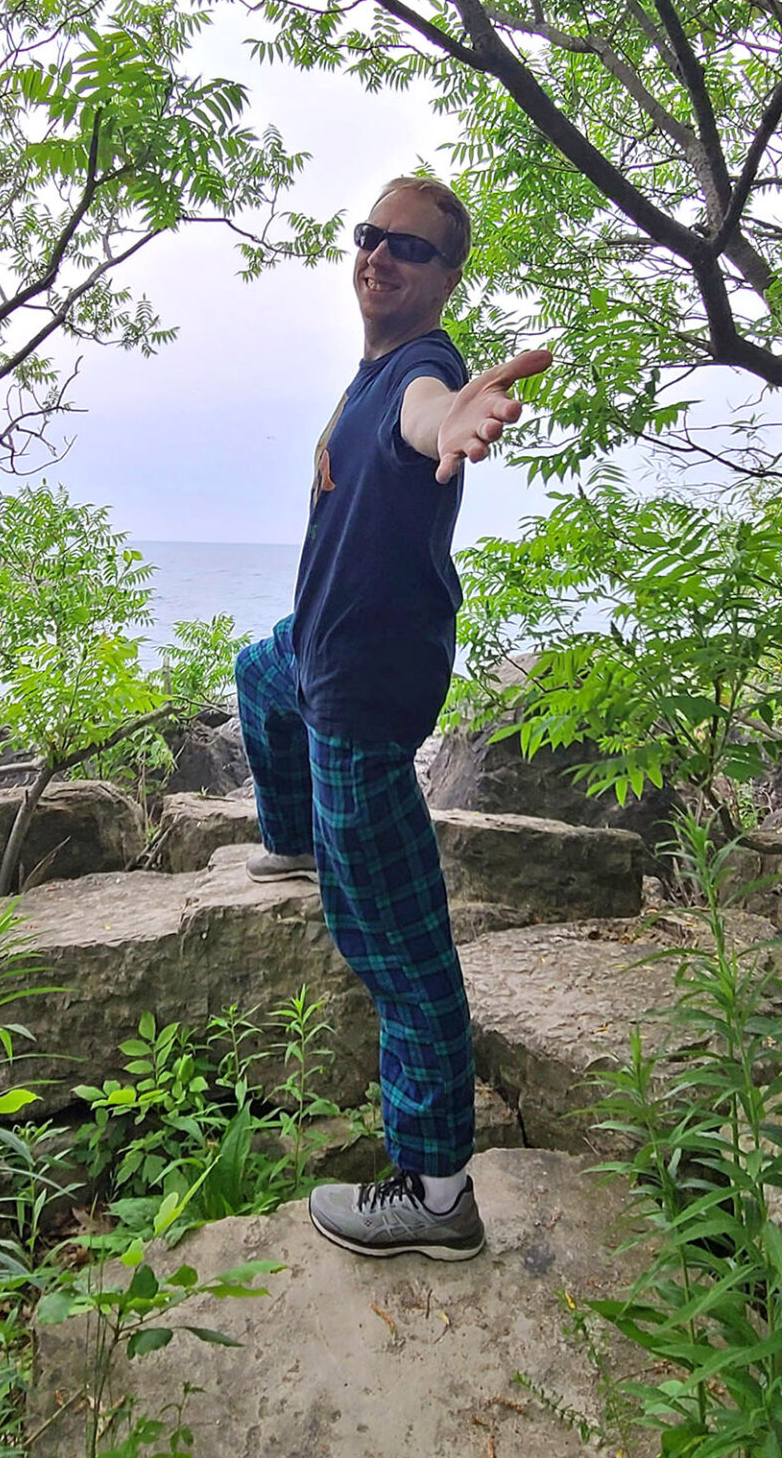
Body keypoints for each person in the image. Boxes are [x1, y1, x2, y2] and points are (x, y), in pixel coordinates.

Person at [233, 175, 551, 1261]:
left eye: (407, 248)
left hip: (363, 700)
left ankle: (435, 1192)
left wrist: (453, 414)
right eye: (369, 236)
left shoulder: (421, 371)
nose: (378, 257)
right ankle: (288, 838)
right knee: (251, 673)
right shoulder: (368, 373)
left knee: (403, 957)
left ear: (445, 277)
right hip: (310, 656)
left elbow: (430, 414)